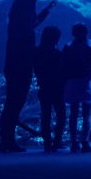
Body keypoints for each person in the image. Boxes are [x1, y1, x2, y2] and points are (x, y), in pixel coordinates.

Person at [0, 0, 53, 153]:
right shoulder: (22, 25)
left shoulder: (17, 21)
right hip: (20, 68)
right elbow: (27, 47)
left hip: (13, 67)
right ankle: (8, 141)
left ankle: (6, 140)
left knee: (12, 103)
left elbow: (34, 23)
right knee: (15, 103)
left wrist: (48, 10)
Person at [62, 22, 91, 154]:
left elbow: (63, 68)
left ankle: (74, 143)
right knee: (86, 114)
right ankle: (84, 142)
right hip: (87, 82)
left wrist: (63, 84)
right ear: (86, 32)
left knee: (74, 114)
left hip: (72, 81)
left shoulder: (67, 46)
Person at [34, 25, 66, 153]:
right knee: (61, 115)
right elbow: (64, 72)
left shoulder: (36, 52)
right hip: (58, 88)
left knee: (45, 116)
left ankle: (47, 143)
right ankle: (57, 142)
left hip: (43, 87)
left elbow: (36, 69)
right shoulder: (58, 54)